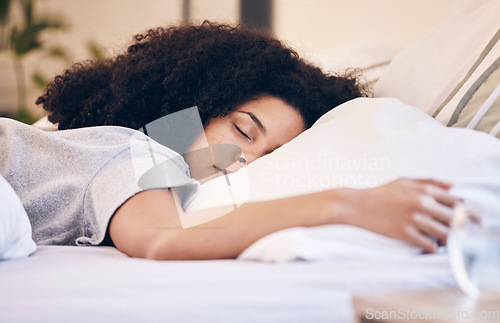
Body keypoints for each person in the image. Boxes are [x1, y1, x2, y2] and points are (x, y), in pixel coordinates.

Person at [1, 22, 458, 260]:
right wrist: (349, 207)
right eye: (243, 130)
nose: (243, 161)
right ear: (187, 104)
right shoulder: (129, 150)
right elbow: (160, 237)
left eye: (270, 159)